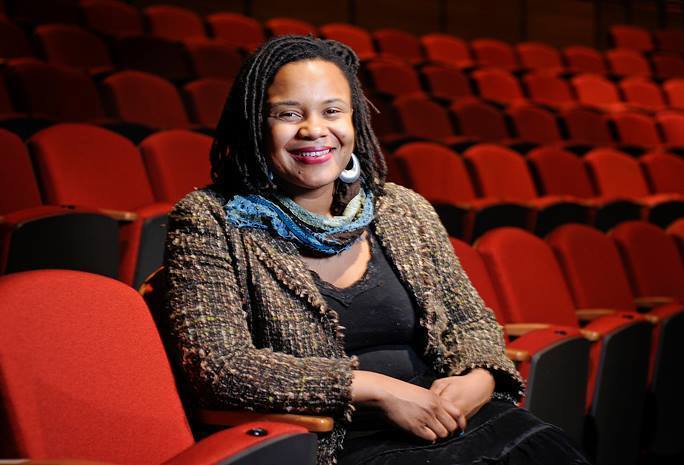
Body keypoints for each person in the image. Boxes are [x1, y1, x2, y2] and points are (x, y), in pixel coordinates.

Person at [164, 35, 590, 465]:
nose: (314, 129)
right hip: (337, 440)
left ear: (355, 120)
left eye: (332, 111)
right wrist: (376, 389)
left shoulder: (402, 209)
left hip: (449, 419)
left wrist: (479, 379)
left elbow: (472, 322)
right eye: (288, 114)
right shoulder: (211, 218)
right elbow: (221, 367)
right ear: (255, 125)